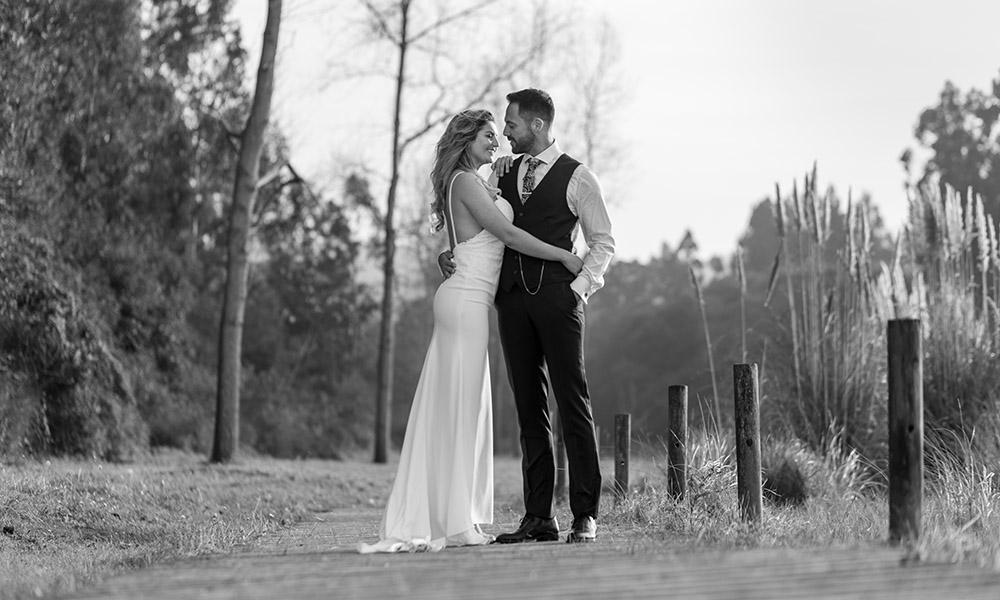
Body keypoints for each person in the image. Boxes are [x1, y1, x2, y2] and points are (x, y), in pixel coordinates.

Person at [358, 109, 583, 554]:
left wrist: (454, 247)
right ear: (466, 140)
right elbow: (508, 234)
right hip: (464, 303)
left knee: (463, 410)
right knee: (461, 411)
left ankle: (455, 516)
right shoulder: (463, 181)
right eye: (487, 136)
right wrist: (563, 256)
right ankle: (456, 522)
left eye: (499, 135)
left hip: (470, 301)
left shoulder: (475, 182)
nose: (496, 142)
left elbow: (466, 242)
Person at [439, 88, 615, 544]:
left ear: (537, 125)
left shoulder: (579, 177)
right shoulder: (502, 172)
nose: (507, 133)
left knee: (573, 402)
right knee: (529, 410)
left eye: (512, 124)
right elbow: (480, 226)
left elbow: (603, 243)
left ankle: (584, 514)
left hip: (559, 302)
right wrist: (452, 253)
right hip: (511, 301)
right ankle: (538, 516)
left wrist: (577, 290)